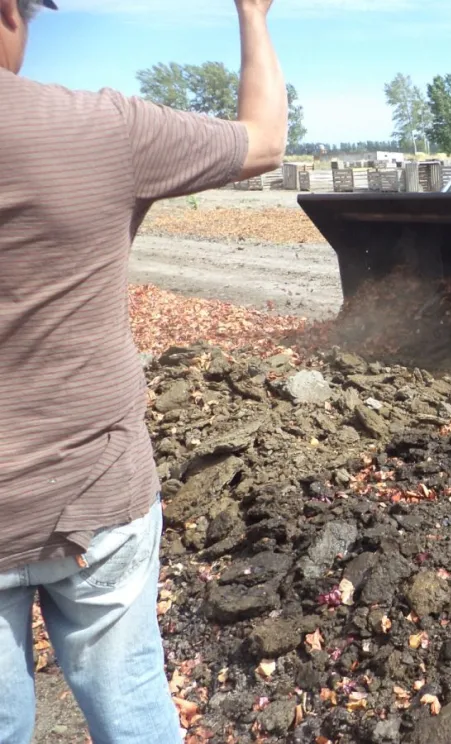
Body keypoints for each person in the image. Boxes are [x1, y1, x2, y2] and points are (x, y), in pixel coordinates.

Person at [0, 0, 287, 741]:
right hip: (96, 498)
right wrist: (252, 16)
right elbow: (265, 141)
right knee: (132, 711)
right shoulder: (102, 128)